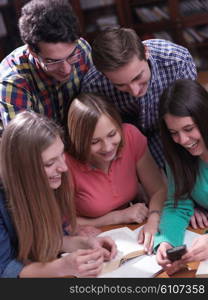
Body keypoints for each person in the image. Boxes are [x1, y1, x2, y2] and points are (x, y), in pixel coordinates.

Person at [0, 111, 116, 278]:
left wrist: (85, 243)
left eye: (61, 154)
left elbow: (51, 239)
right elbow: (4, 270)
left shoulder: (49, 184)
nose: (63, 168)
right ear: (23, 170)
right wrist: (60, 267)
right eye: (49, 163)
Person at [81, 27, 197, 169]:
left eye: (138, 77)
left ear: (146, 51)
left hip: (172, 131)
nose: (135, 91)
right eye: (121, 85)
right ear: (104, 74)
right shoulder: (93, 85)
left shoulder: (177, 60)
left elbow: (191, 113)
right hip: (125, 143)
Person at [66, 93, 167, 253]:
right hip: (91, 243)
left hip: (131, 234)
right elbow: (62, 225)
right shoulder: (65, 164)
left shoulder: (131, 136)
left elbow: (158, 190)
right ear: (78, 141)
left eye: (112, 134)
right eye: (94, 142)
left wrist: (154, 218)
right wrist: (118, 216)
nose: (107, 147)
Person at [0, 0, 92, 127]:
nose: (66, 69)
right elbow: (26, 144)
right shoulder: (13, 83)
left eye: (71, 56)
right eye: (53, 61)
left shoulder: (82, 50)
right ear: (32, 51)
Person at [154, 79, 208, 275]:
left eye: (189, 128)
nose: (183, 141)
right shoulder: (178, 154)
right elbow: (178, 203)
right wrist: (167, 241)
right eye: (173, 133)